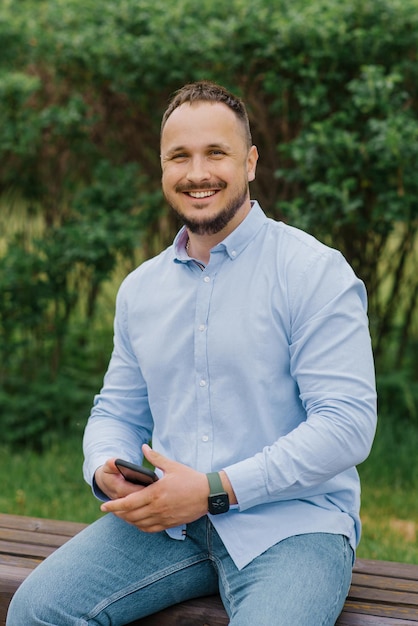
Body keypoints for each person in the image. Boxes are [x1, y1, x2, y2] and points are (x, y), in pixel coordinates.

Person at [7, 81, 377, 626]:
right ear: (162, 169)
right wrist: (104, 468)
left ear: (250, 162)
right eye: (180, 156)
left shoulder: (314, 272)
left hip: (293, 526)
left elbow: (347, 425)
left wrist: (212, 491)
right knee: (37, 612)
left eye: (216, 153)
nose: (197, 172)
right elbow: (115, 411)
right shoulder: (141, 289)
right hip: (167, 524)